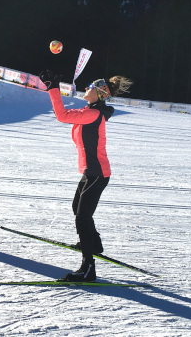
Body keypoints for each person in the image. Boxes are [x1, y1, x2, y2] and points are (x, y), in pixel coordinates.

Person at [43, 72, 132, 282]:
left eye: (91, 87)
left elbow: (62, 116)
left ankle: (88, 269)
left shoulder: (93, 114)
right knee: (77, 208)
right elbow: (67, 115)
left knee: (82, 217)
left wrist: (53, 89)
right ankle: (94, 243)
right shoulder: (90, 111)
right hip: (91, 172)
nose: (87, 88)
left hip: (97, 174)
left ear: (99, 95)